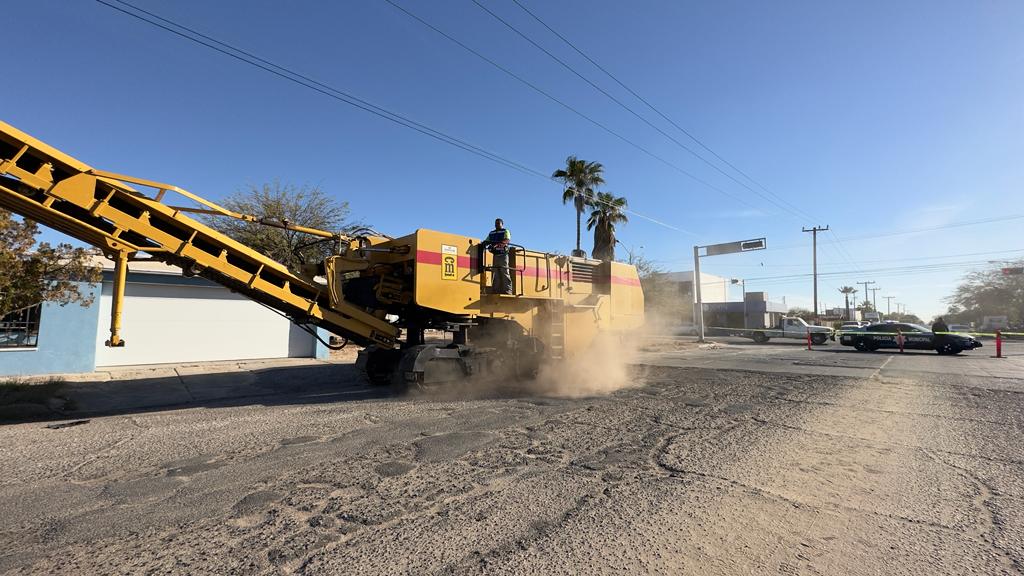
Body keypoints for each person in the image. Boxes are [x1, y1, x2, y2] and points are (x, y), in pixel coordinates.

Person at [483, 218, 512, 294]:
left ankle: (508, 290)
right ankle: (496, 290)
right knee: (495, 272)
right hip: (495, 255)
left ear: (502, 224)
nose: (497, 225)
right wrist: (481, 245)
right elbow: (486, 241)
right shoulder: (491, 233)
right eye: (496, 223)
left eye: (498, 223)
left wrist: (495, 245)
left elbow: (506, 240)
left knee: (504, 272)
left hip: (503, 255)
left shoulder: (505, 231)